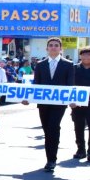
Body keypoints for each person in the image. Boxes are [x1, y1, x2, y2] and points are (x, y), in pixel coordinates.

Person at [25, 37, 75, 172]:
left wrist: (72, 100)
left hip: (59, 105)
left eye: (56, 45)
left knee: (53, 127)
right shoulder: (40, 65)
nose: (53, 47)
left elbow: (70, 85)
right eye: (51, 45)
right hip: (43, 104)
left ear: (60, 48)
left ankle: (51, 160)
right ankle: (52, 151)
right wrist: (28, 98)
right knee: (48, 131)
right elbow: (36, 84)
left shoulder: (68, 64)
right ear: (47, 48)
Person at [71, 47, 90, 160]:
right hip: (77, 104)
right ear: (80, 56)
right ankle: (80, 150)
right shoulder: (74, 69)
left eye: (89, 55)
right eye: (84, 55)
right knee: (78, 127)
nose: (86, 57)